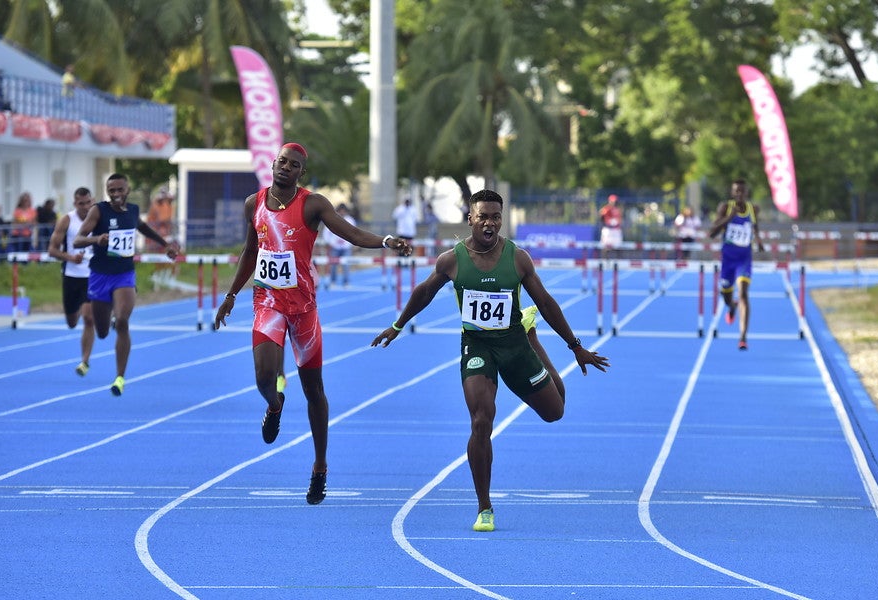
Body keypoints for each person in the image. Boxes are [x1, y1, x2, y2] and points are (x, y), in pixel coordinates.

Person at [371, 189, 610, 532]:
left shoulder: (518, 258)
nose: (490, 223)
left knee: (555, 411)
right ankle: (484, 507)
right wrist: (397, 326)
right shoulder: (452, 260)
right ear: (470, 218)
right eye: (483, 216)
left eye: (496, 217)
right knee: (481, 420)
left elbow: (545, 302)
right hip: (477, 345)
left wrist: (575, 346)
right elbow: (424, 291)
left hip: (514, 344)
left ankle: (532, 337)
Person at [213, 142, 413, 506]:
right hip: (268, 302)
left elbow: (351, 234)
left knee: (313, 390)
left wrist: (386, 241)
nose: (286, 167)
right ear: (273, 164)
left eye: (293, 165)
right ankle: (275, 405)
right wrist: (230, 295)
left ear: (300, 173)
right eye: (282, 161)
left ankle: (320, 466)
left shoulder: (312, 204)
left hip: (303, 308)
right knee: (264, 376)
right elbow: (251, 251)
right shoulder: (253, 204)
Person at [73, 173, 180, 395]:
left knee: (122, 322)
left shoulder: (132, 211)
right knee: (102, 331)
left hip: (124, 275)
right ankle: (109, 321)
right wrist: (96, 239)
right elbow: (77, 240)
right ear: (107, 192)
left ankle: (119, 378)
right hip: (100, 276)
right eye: (111, 190)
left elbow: (143, 227)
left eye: (119, 189)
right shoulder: (98, 211)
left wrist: (165, 245)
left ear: (127, 190)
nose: (116, 194)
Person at [708, 179, 764, 350]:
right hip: (728, 261)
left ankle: (743, 337)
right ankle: (731, 306)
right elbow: (711, 233)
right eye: (736, 191)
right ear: (732, 193)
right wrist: (729, 217)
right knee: (726, 295)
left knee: (743, 294)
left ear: (746, 193)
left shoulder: (753, 209)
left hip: (744, 259)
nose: (739, 194)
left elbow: (755, 227)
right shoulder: (725, 207)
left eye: (742, 191)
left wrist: (759, 241)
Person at [48, 187, 96, 376]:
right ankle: (81, 312)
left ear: (92, 201)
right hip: (71, 276)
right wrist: (70, 258)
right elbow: (52, 250)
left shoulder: (98, 219)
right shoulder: (67, 220)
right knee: (71, 322)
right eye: (81, 203)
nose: (85, 207)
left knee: (89, 318)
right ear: (75, 204)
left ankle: (84, 361)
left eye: (88, 202)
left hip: (92, 276)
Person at [320, 203, 356, 287]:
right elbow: (326, 233)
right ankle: (333, 281)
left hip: (346, 247)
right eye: (341, 211)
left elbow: (354, 233)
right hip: (335, 247)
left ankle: (346, 282)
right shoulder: (332, 219)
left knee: (346, 265)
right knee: (333, 265)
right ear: (338, 211)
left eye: (344, 211)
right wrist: (330, 242)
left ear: (346, 211)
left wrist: (350, 244)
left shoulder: (350, 220)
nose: (342, 213)